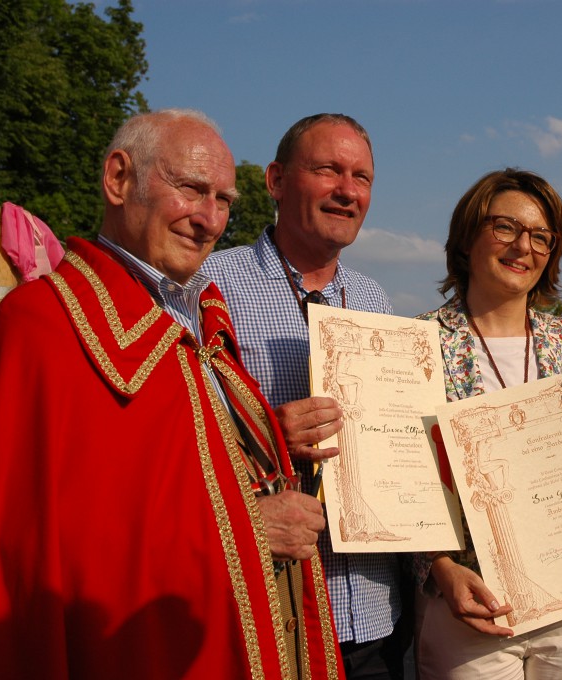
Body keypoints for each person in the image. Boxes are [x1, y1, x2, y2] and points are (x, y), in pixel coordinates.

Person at [0, 109, 342, 679]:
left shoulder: (201, 321)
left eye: (225, 200)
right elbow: (33, 554)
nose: (209, 219)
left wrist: (265, 437)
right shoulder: (42, 324)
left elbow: (169, 461)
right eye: (190, 189)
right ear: (118, 179)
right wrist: (246, 528)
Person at [202, 114, 405, 679]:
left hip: (372, 610)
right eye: (327, 170)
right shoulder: (211, 286)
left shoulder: (374, 301)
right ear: (275, 180)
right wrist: (267, 437)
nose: (347, 190)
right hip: (266, 610)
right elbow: (172, 431)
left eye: (361, 177)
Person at [413, 168, 562, 679]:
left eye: (540, 237)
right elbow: (405, 477)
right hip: (472, 600)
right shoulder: (418, 342)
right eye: (504, 227)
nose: (521, 246)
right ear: (468, 237)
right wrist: (440, 570)